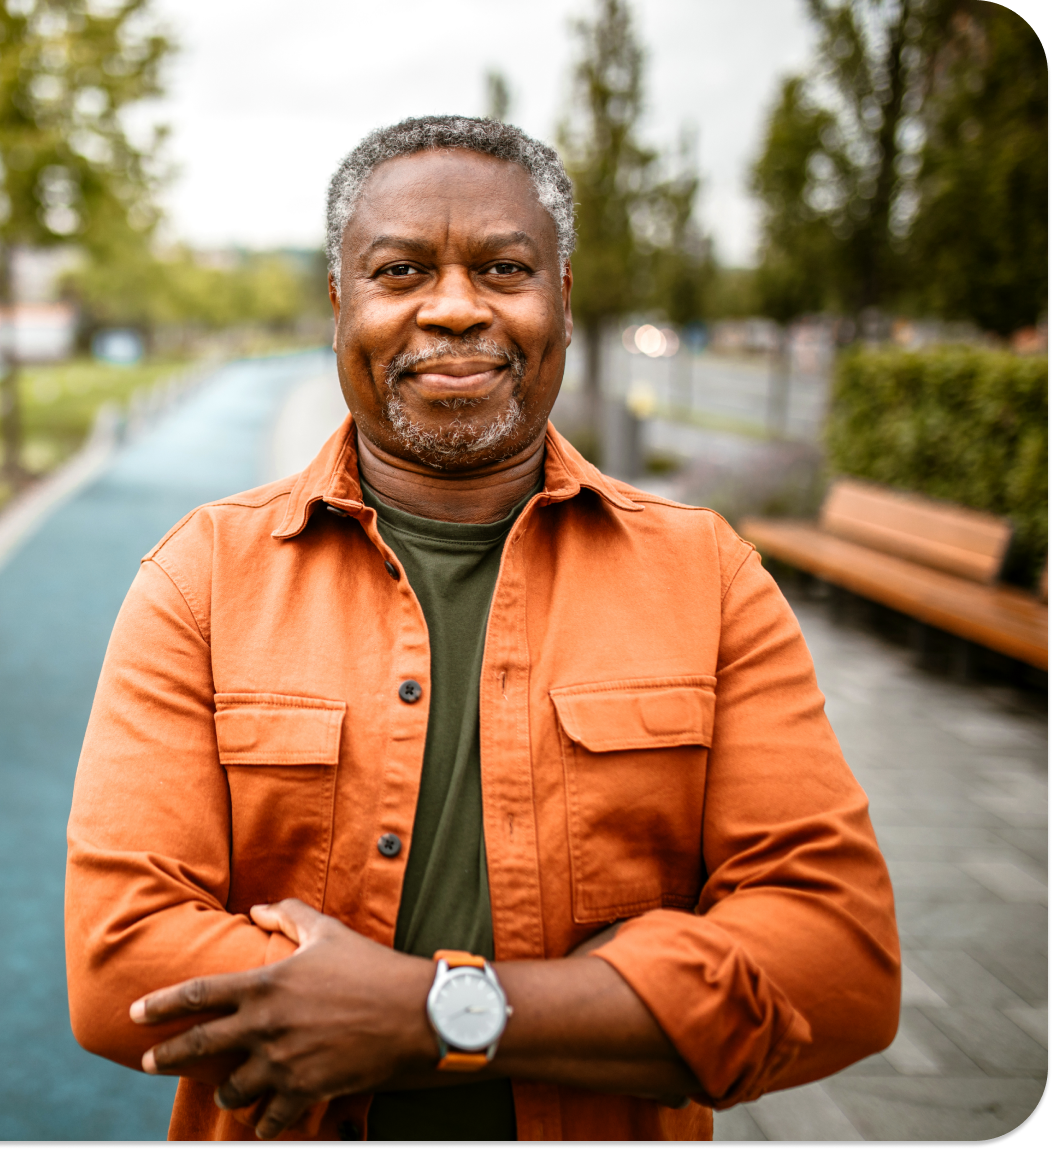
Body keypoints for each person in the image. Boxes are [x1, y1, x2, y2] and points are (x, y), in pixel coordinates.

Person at [63, 115, 899, 1142]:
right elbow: (121, 967)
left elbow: (840, 964)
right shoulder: (201, 579)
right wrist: (624, 1008)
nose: (455, 309)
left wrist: (429, 1018)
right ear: (339, 303)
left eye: (504, 270)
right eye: (401, 271)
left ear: (564, 301)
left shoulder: (708, 579)